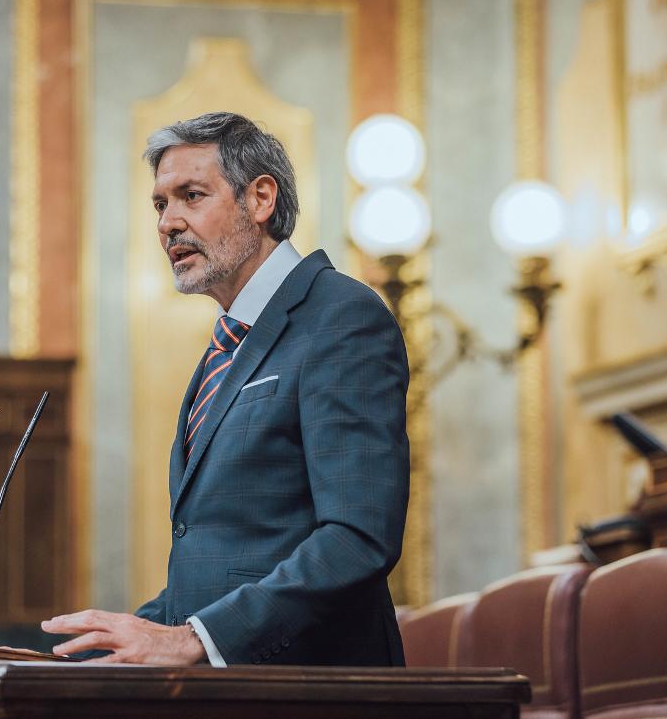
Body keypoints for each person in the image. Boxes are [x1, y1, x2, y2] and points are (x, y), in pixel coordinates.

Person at [43, 112, 410, 666]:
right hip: (229, 690)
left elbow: (357, 538)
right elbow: (223, 562)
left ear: (260, 199)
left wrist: (194, 640)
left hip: (315, 692)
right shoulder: (230, 342)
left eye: (191, 195)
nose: (168, 223)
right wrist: (76, 660)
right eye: (161, 204)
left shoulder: (341, 317)